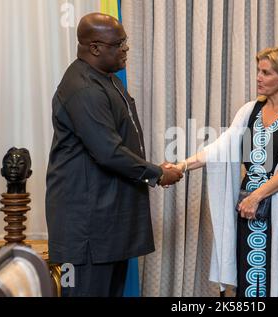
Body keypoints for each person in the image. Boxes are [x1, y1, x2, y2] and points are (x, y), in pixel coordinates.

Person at [45, 13, 183, 297]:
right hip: (86, 233)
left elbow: (118, 144)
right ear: (95, 48)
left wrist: (152, 168)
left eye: (125, 42)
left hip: (107, 227)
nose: (125, 49)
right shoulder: (82, 88)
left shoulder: (105, 79)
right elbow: (108, 151)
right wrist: (156, 174)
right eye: (118, 43)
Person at [172, 48, 278, 297]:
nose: (258, 77)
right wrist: (182, 166)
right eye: (258, 71)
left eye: (265, 72)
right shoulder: (250, 111)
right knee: (248, 275)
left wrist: (256, 196)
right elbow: (220, 148)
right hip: (247, 209)